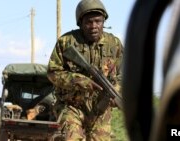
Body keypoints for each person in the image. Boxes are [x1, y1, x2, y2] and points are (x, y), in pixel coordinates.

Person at [47, 0, 123, 140]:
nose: (94, 26)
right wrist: (82, 81)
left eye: (98, 21)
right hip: (71, 106)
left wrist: (116, 90)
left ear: (103, 22)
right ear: (80, 23)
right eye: (89, 22)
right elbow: (53, 73)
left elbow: (123, 75)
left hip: (101, 109)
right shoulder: (66, 42)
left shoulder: (114, 44)